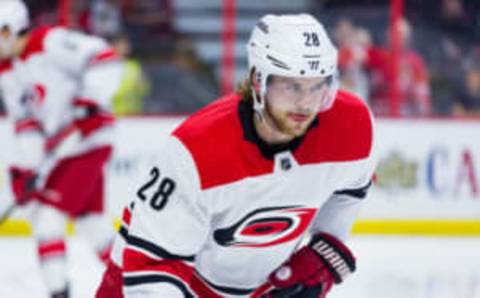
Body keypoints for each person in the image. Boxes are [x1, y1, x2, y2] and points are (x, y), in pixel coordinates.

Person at [97, 13, 376, 298]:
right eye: (291, 86)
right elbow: (153, 269)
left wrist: (326, 248)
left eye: (317, 86)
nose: (305, 103)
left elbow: (352, 188)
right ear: (258, 81)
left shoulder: (351, 125)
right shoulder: (196, 150)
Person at [0, 1, 124, 297]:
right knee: (92, 225)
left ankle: (59, 292)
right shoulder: (6, 71)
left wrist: (90, 99)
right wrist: (25, 169)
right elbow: (26, 123)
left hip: (88, 141)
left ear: (9, 29)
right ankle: (133, 279)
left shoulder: (51, 41)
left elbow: (104, 57)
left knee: (46, 219)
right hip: (66, 148)